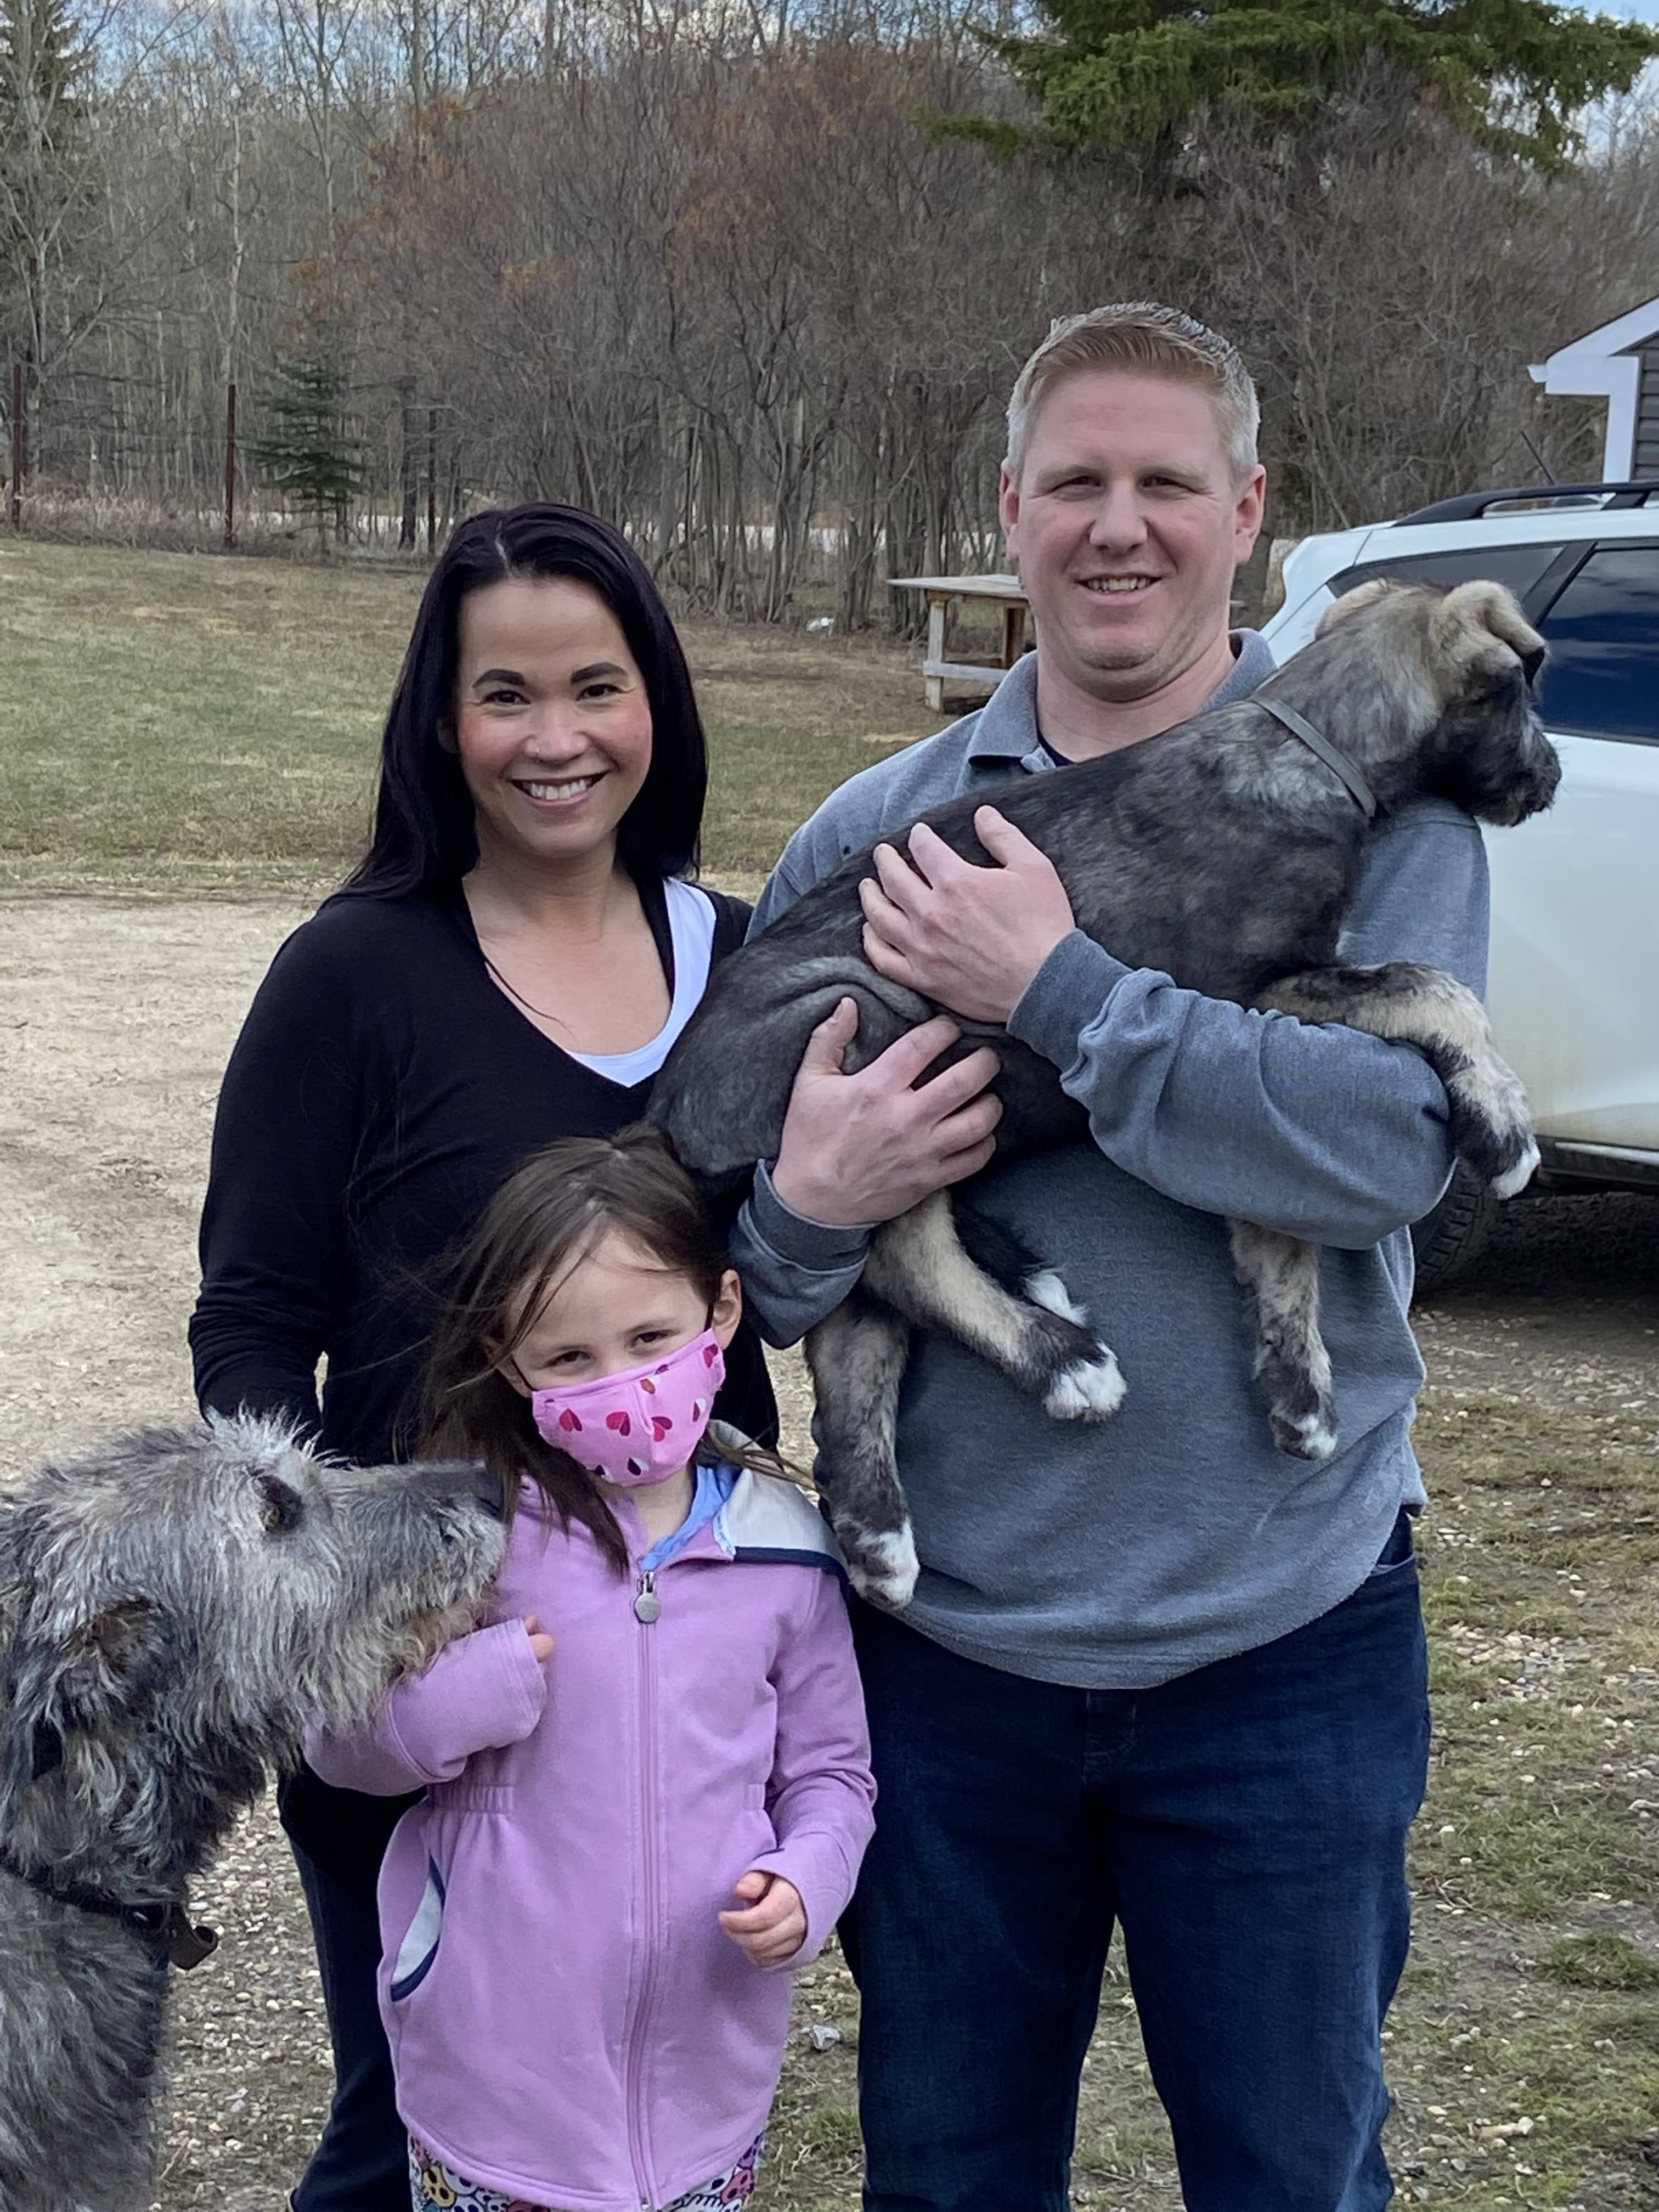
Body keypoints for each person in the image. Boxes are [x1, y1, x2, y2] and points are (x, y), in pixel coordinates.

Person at [730, 303, 1485, 2210]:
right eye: (1075, 481)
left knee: (1292, 2177)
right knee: (950, 2180)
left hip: (1287, 1647)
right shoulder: (880, 833)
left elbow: (1389, 1156)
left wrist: (1058, 989)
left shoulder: (1379, 811)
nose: (1118, 524)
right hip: (950, 1665)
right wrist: (809, 1209)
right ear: (1011, 510)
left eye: (1167, 482)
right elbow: (756, 1276)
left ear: (1250, 511)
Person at [189, 504, 782, 2212]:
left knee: (649, 2122)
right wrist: (344, 1612)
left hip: (676, 1671)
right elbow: (250, 1321)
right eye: (503, 693)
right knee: (414, 2128)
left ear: (656, 701)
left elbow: (793, 1274)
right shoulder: (352, 974)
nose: (555, 737)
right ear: (443, 724)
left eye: (595, 686)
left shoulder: (745, 961)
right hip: (436, 1684)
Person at [303, 1129, 875, 2212]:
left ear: (721, 1311)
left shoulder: (788, 1551)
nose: (620, 1383)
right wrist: (451, 1703)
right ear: (508, 1356)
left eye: (650, 1337)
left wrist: (810, 1878)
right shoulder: (461, 1534)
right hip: (490, 2095)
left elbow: (833, 1774)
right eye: (570, 1357)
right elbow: (338, 1746)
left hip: (707, 2097)